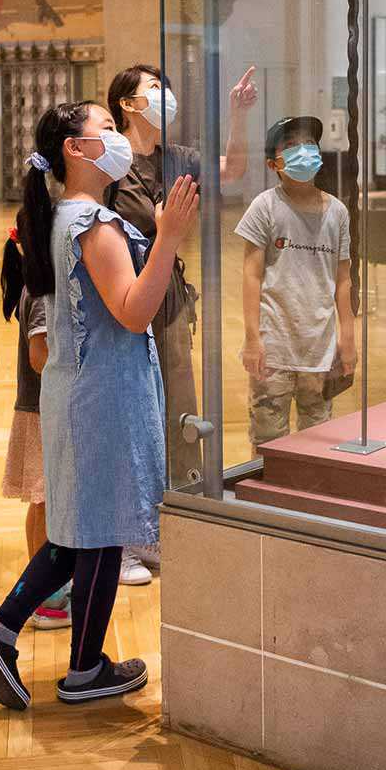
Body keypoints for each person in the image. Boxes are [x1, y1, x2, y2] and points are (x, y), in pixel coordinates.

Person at [0, 101, 198, 710]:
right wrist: (169, 237)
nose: (120, 139)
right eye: (109, 130)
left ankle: (7, 629)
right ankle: (84, 667)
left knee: (82, 530)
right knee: (99, 531)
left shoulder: (63, 216)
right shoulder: (93, 223)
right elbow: (134, 308)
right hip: (103, 395)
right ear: (75, 149)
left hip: (79, 390)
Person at [108, 62, 257, 582]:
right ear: (127, 104)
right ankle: (120, 537)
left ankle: (159, 522)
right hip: (121, 295)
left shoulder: (177, 157)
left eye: (165, 86)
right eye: (154, 88)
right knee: (132, 410)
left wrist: (238, 114)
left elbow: (233, 168)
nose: (165, 94)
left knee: (177, 409)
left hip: (168, 296)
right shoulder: (113, 160)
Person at [236, 116, 356, 451]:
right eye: (290, 146)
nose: (302, 150)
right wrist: (251, 340)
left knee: (316, 441)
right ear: (274, 164)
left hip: (319, 348)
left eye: (308, 143)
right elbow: (251, 275)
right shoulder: (266, 206)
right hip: (274, 348)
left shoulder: (337, 212)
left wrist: (348, 339)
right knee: (268, 442)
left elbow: (343, 280)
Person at [0, 216, 70, 630]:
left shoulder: (37, 287)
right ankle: (46, 598)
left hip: (44, 408)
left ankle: (52, 589)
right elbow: (39, 356)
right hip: (44, 411)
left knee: (47, 501)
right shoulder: (42, 294)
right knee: (44, 501)